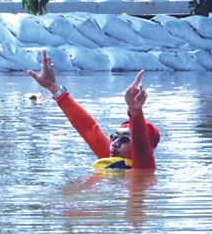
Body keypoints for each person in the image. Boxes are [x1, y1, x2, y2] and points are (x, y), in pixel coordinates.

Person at [27, 51, 159, 170]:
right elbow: (88, 127)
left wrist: (135, 113)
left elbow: (140, 145)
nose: (114, 144)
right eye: (113, 137)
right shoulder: (109, 155)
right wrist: (53, 87)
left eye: (124, 140)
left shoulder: (143, 167)